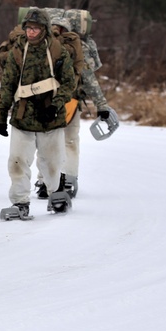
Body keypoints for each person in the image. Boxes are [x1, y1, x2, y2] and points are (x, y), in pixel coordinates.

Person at [0, 8, 77, 219]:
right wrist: (2, 116)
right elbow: (8, 84)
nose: (31, 32)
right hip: (23, 116)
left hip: (51, 117)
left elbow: (69, 83)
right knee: (17, 161)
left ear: (44, 29)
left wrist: (56, 105)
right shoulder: (17, 51)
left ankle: (56, 195)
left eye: (36, 28)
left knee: (51, 161)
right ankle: (20, 202)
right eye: (29, 28)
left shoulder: (57, 51)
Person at [35, 15, 112, 199]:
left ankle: (46, 181)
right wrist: (101, 104)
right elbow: (88, 77)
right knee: (67, 142)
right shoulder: (77, 47)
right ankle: (65, 180)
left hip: (47, 102)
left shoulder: (39, 45)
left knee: (47, 143)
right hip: (69, 101)